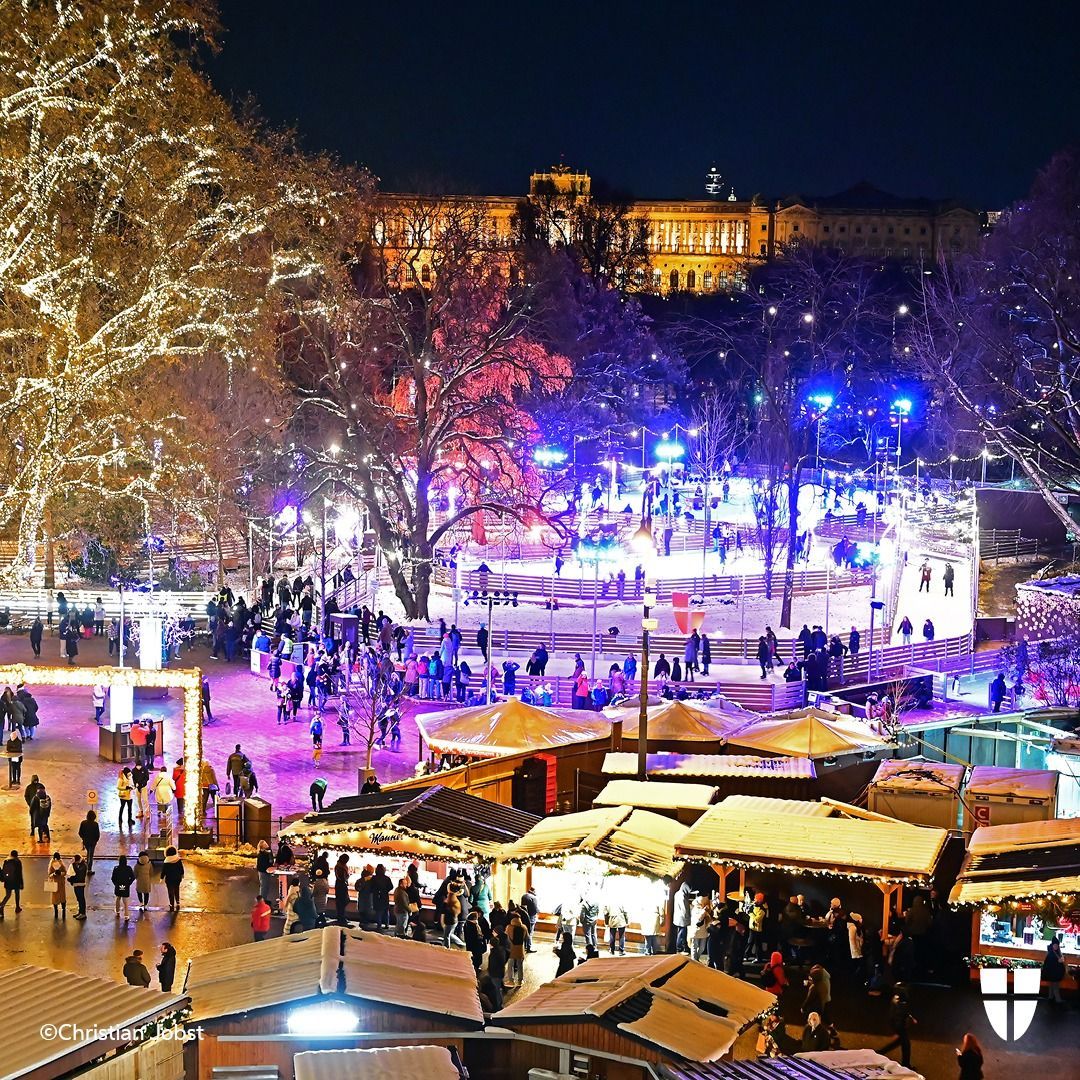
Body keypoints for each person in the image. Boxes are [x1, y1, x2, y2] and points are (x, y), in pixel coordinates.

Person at [881, 990, 916, 1069]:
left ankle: (880, 1052)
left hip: (900, 1027)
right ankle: (906, 1065)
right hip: (900, 1028)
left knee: (900, 1043)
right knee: (906, 1045)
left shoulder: (897, 1000)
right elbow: (898, 1017)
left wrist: (911, 1017)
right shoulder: (899, 1003)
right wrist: (898, 1032)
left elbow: (903, 1013)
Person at [507, 912, 530, 986]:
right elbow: (527, 938)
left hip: (511, 949)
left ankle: (511, 981)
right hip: (520, 949)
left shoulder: (509, 927)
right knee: (520, 965)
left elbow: (506, 938)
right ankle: (520, 981)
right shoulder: (524, 927)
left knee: (510, 965)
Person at [1042, 935, 1066, 1003]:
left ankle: (1051, 997)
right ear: (1052, 945)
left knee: (1052, 986)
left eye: (1057, 945)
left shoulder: (1052, 952)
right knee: (1055, 986)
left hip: (1052, 973)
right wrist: (1058, 961)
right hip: (1054, 973)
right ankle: (1058, 1000)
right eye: (1055, 945)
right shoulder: (1052, 953)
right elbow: (1052, 963)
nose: (1056, 946)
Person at [160, 846, 185, 911]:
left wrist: (161, 878)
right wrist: (182, 874)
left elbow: (164, 871)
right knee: (177, 889)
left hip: (169, 879)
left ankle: (171, 904)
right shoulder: (178, 860)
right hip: (177, 878)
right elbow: (181, 868)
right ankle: (178, 902)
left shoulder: (166, 862)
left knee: (170, 891)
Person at [0, 849, 24, 916]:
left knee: (8, 895)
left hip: (8, 881)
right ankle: (17, 907)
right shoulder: (18, 861)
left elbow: (4, 871)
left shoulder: (6, 860)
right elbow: (19, 873)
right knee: (17, 894)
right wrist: (21, 883)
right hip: (16, 881)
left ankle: (2, 905)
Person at [68, 852, 88, 919]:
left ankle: (83, 913)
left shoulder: (84, 866)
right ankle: (80, 912)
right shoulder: (79, 865)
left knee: (81, 899)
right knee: (79, 899)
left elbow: (79, 874)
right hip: (76, 885)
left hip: (80, 885)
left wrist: (73, 864)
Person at [47, 851, 66, 918]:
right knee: (55, 898)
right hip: (54, 883)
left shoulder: (61, 862)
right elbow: (49, 874)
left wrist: (60, 873)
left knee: (62, 897)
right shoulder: (51, 863)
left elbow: (65, 872)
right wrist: (54, 874)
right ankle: (56, 910)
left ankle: (64, 909)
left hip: (61, 883)